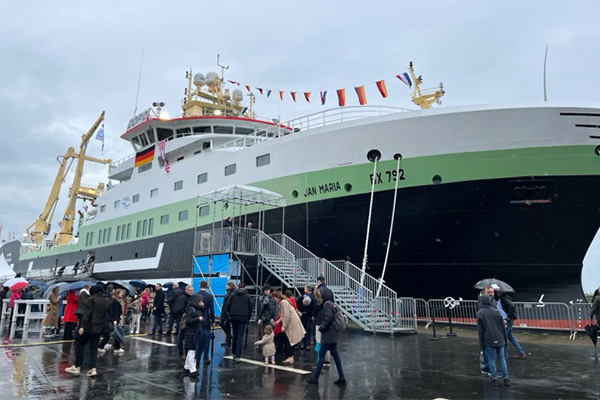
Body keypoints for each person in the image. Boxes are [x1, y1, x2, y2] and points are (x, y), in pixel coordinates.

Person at [66, 285, 112, 377]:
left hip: (89, 327)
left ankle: (77, 366)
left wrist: (82, 326)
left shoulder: (91, 299)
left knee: (80, 344)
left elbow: (86, 314)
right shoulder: (107, 300)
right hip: (99, 327)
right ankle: (92, 368)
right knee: (94, 348)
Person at [306, 299, 346, 385]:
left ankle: (316, 378)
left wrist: (321, 328)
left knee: (321, 356)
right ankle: (341, 377)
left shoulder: (326, 304)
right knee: (336, 356)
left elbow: (329, 319)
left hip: (328, 335)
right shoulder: (331, 304)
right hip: (333, 334)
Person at [477, 295, 510, 386]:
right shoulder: (496, 311)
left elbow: (480, 330)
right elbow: (503, 327)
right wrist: (505, 339)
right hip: (500, 338)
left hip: (488, 339)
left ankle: (494, 378)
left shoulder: (480, 313)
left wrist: (482, 344)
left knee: (491, 359)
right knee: (502, 358)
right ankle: (506, 378)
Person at [273, 291, 305, 365]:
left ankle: (290, 357)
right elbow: (284, 314)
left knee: (289, 340)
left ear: (277, 297)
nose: (274, 300)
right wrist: (278, 321)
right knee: (289, 340)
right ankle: (290, 356)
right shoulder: (285, 302)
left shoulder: (283, 303)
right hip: (293, 322)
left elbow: (286, 315)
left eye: (274, 298)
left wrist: (284, 326)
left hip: (292, 323)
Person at [224, 282, 252, 362]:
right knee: (240, 335)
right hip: (243, 317)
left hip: (234, 316)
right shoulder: (247, 296)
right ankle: (238, 355)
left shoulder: (233, 295)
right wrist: (248, 317)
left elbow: (227, 306)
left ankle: (233, 352)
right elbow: (250, 308)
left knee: (235, 334)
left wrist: (230, 314)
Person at [498, 291, 526, 359]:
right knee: (510, 337)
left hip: (506, 320)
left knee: (504, 337)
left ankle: (504, 355)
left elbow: (512, 305)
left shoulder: (504, 298)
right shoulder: (504, 298)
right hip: (507, 320)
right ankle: (521, 352)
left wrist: (508, 315)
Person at [184, 293, 206, 378]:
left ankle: (187, 367)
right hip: (191, 332)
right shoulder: (192, 309)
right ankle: (192, 370)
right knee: (192, 351)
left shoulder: (197, 309)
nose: (202, 302)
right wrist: (198, 319)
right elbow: (188, 321)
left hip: (195, 332)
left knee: (192, 350)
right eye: (201, 301)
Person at [315, 276, 334, 367]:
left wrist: (313, 316)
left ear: (318, 281)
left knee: (319, 339)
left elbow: (316, 305)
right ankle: (327, 360)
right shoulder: (330, 291)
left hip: (319, 318)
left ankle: (320, 360)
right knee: (326, 340)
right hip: (328, 318)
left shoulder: (318, 291)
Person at [99, 289, 126, 353]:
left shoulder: (115, 300)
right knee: (112, 333)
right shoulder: (115, 301)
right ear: (117, 294)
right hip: (114, 319)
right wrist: (115, 319)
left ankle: (116, 347)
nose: (122, 294)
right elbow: (115, 311)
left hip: (114, 319)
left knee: (114, 333)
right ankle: (102, 346)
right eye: (121, 293)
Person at [197, 281, 215, 365]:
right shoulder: (209, 296)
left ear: (200, 285)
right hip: (206, 318)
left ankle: (197, 356)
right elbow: (211, 310)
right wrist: (213, 320)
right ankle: (206, 356)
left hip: (197, 318)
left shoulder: (195, 295)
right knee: (206, 338)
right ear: (207, 286)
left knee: (197, 338)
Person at [298, 286, 317, 350]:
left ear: (308, 290)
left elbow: (298, 303)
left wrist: (300, 310)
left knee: (304, 329)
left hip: (304, 315)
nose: (304, 290)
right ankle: (307, 344)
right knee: (309, 330)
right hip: (310, 315)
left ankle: (304, 343)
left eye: (305, 289)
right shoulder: (313, 297)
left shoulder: (302, 297)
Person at [178, 285, 194, 360]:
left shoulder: (190, 298)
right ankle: (181, 353)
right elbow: (180, 309)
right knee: (182, 337)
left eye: (192, 290)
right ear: (186, 290)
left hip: (189, 319)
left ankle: (186, 352)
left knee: (188, 337)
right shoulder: (183, 298)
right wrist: (186, 313)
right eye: (190, 290)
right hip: (184, 320)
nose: (192, 292)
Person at [220, 281, 236, 346]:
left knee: (224, 324)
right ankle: (228, 337)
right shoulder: (229, 293)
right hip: (225, 311)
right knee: (225, 325)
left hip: (226, 312)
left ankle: (228, 337)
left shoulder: (231, 293)